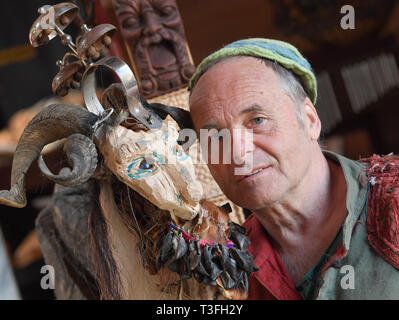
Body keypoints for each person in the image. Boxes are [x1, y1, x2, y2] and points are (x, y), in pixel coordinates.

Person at [188, 38, 399, 299]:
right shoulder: (228, 273)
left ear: (310, 120)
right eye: (216, 138)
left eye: (257, 120)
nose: (238, 153)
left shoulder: (393, 199)